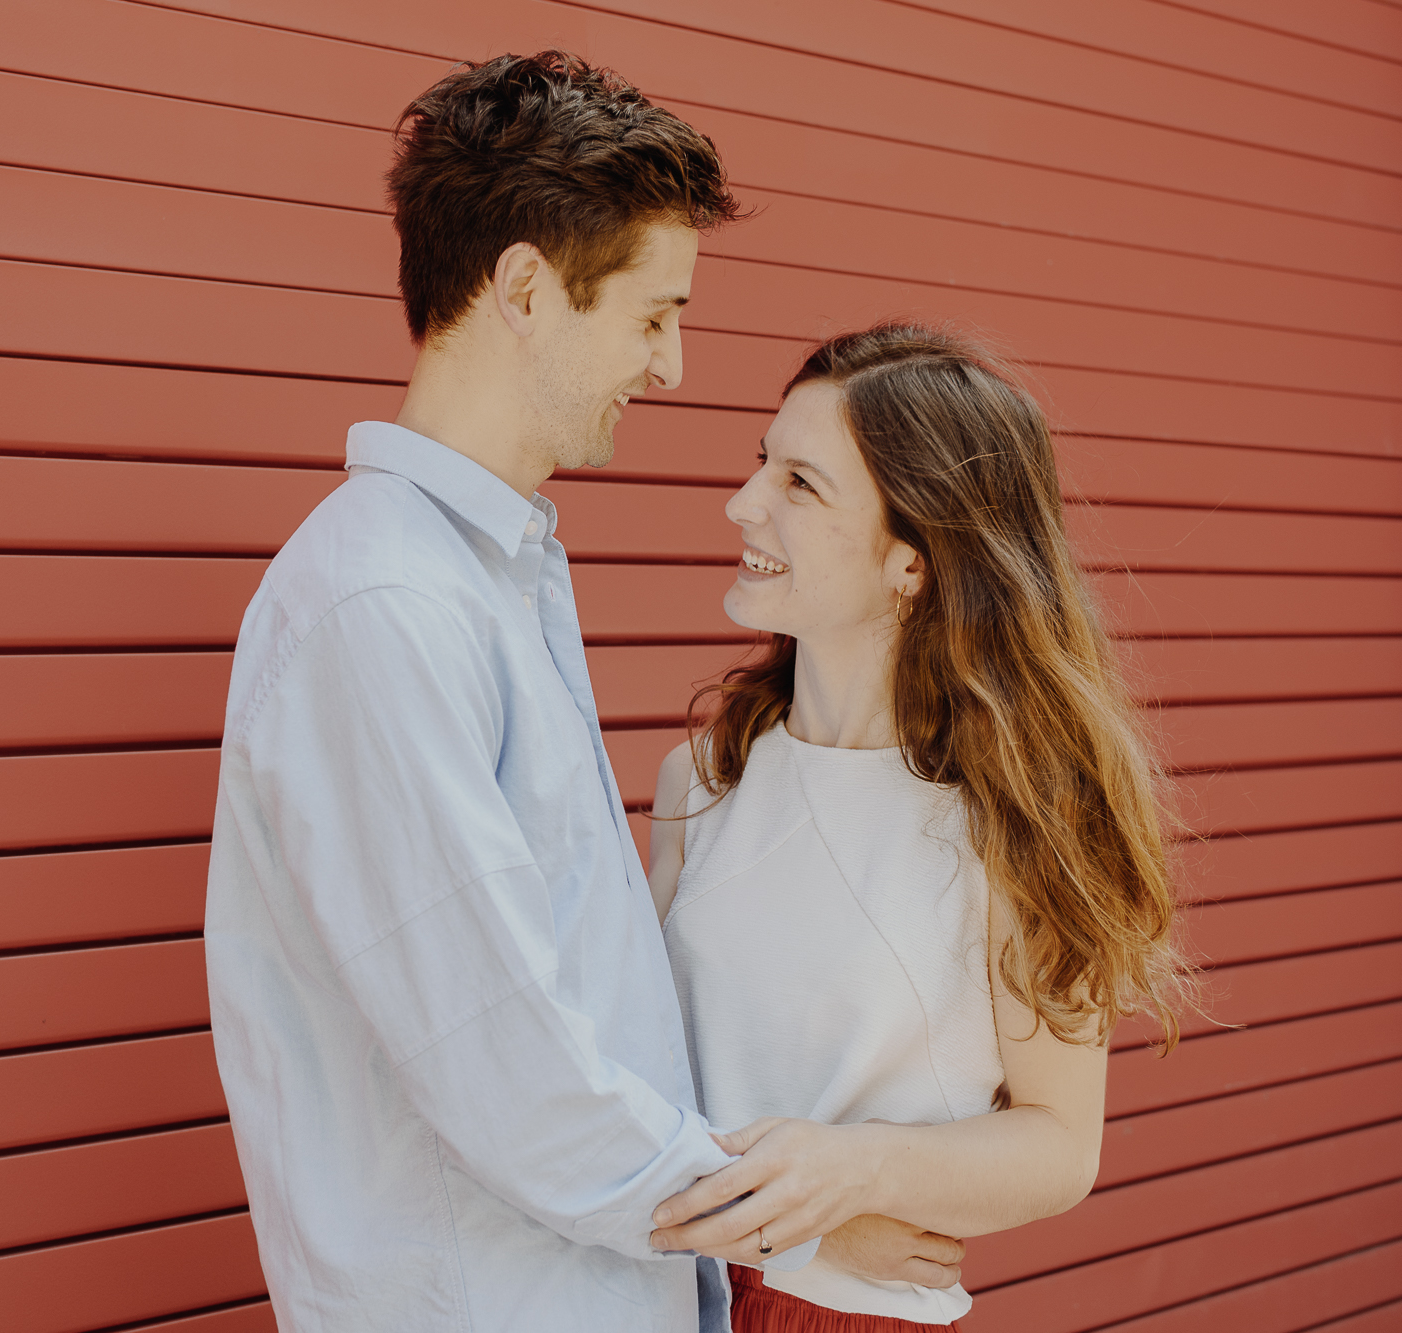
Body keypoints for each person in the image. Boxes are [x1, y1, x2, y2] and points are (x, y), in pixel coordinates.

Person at [205, 53, 961, 1333]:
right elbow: (504, 1062)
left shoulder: (492, 574)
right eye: (650, 313)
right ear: (523, 290)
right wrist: (804, 1213)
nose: (668, 366)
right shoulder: (385, 607)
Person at [644, 324, 1187, 1330]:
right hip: (651, 1290)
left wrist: (851, 1173)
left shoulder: (1014, 820)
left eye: (799, 484)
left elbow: (1058, 1144)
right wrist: (803, 1222)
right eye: (760, 462)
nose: (742, 502)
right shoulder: (698, 782)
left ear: (913, 562)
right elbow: (633, 1081)